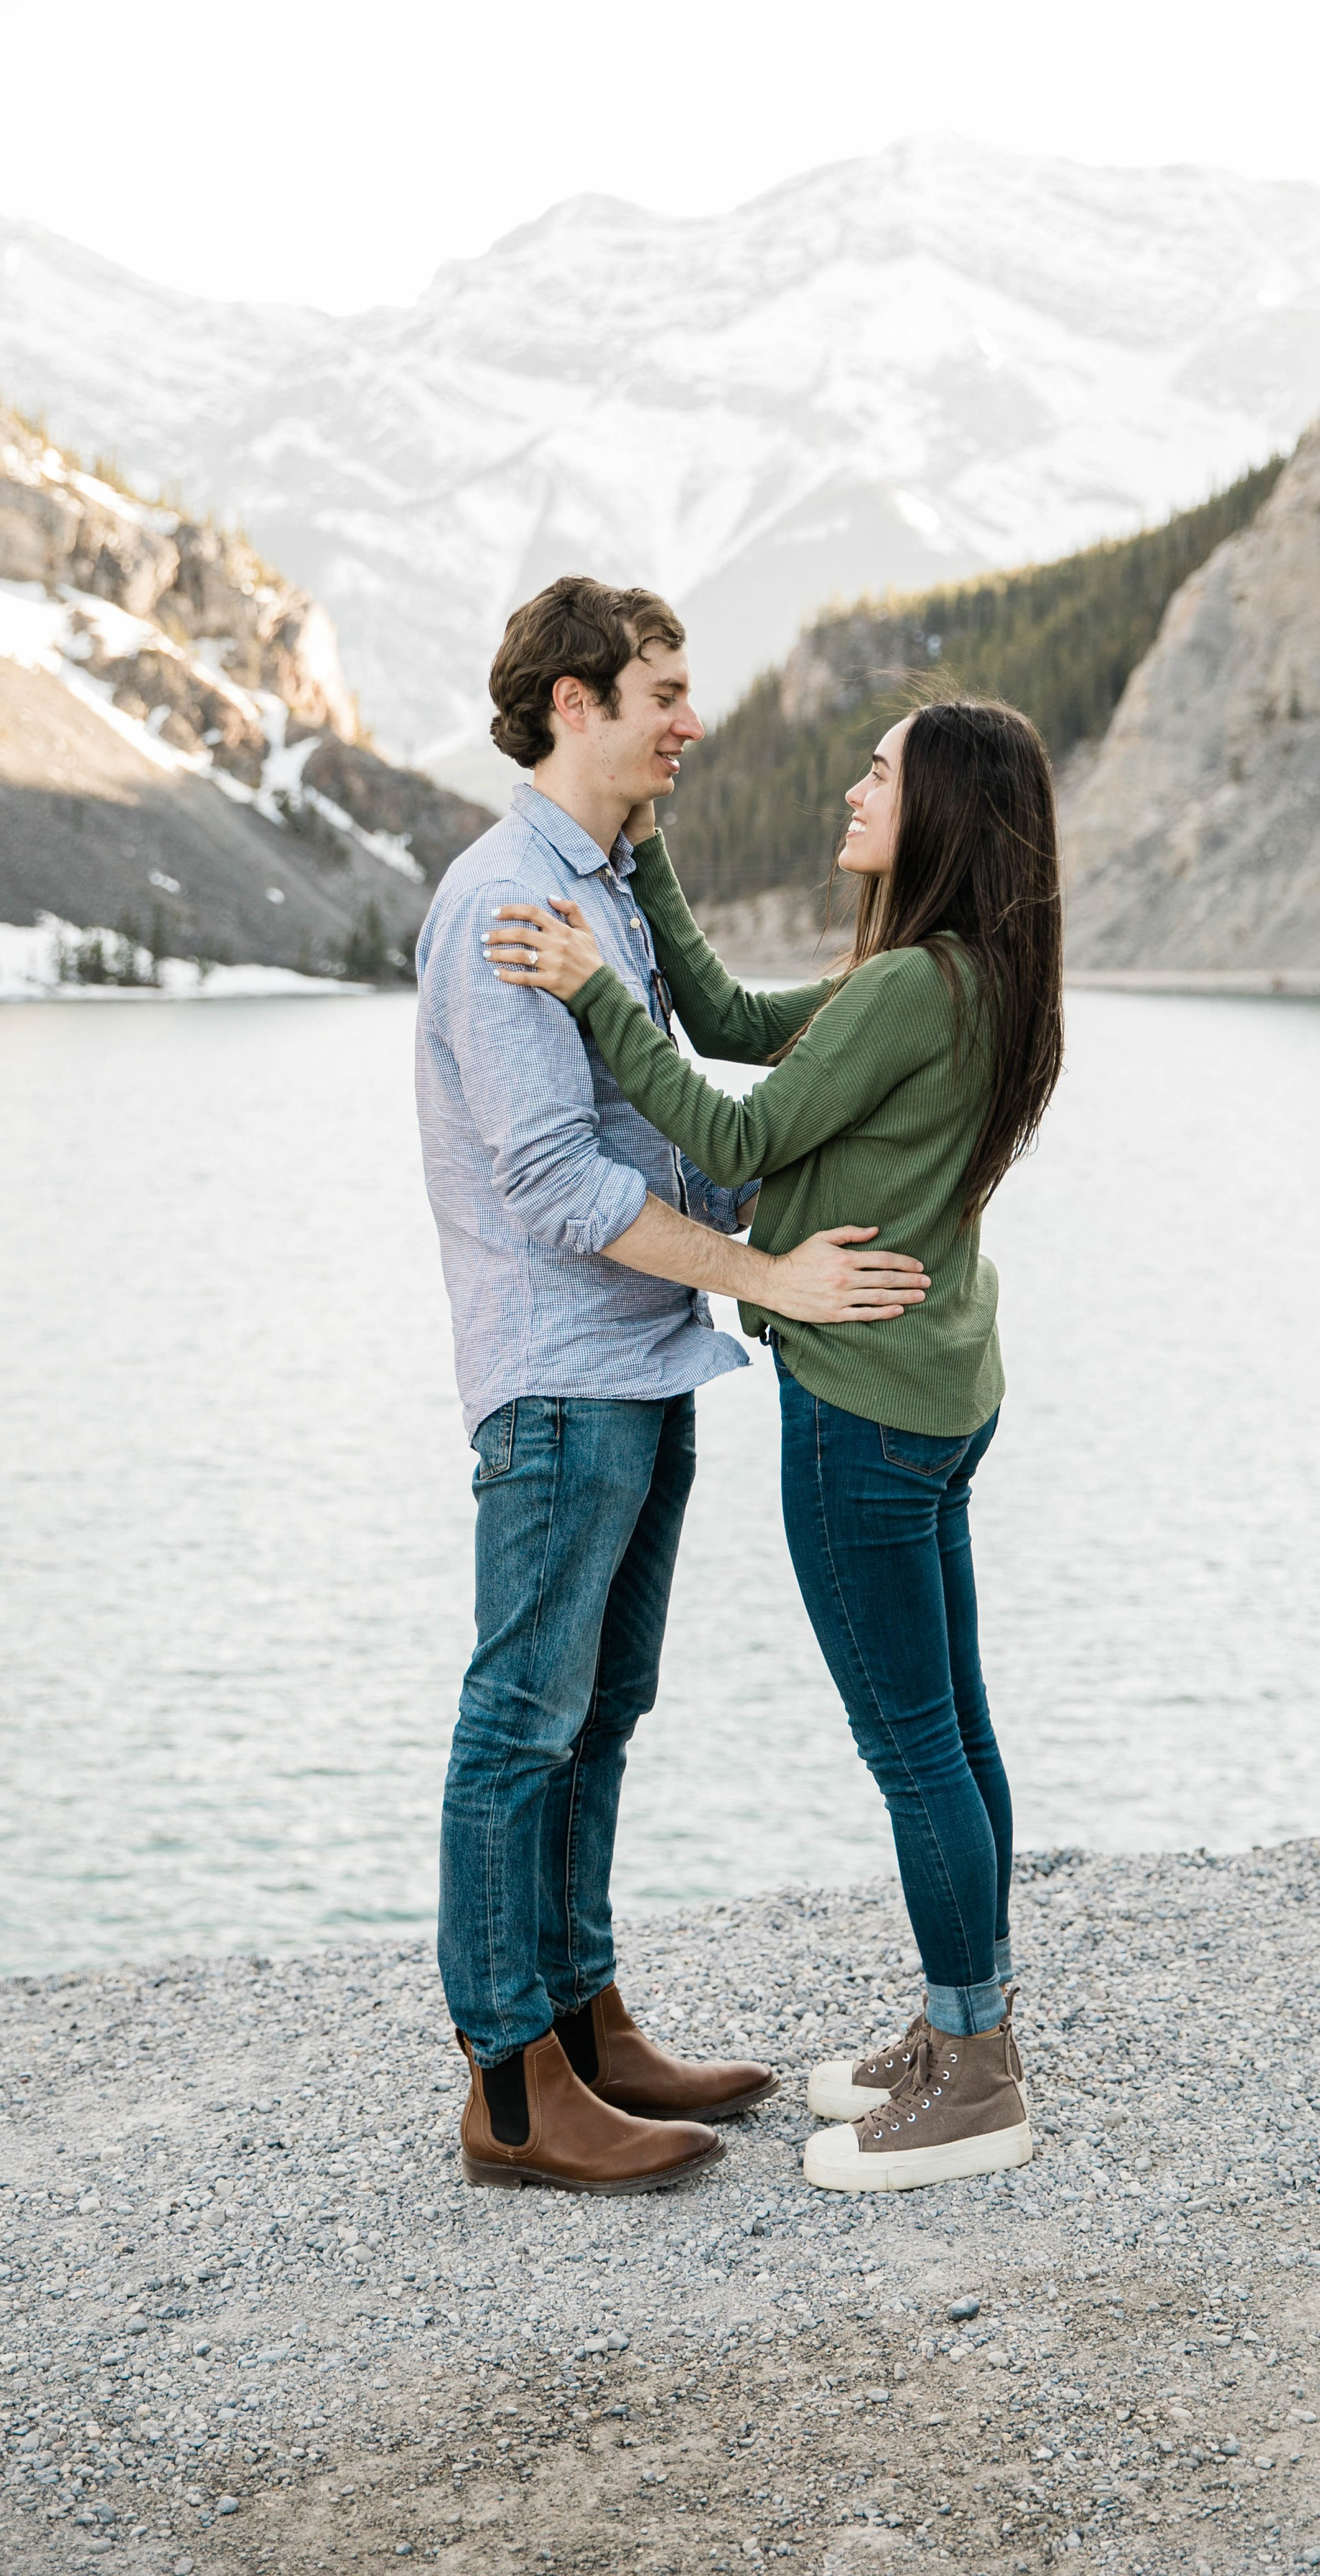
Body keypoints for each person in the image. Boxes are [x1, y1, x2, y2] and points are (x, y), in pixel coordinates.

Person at [484, 696, 1064, 2193]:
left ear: (934, 809)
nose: (853, 788)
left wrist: (589, 987)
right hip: (939, 1388)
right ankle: (965, 2027)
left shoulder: (900, 991)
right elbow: (743, 1027)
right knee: (957, 1722)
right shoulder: (960, 975)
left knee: (911, 1740)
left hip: (863, 1404)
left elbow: (731, 1137)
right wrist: (653, 872)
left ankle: (974, 2073)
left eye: (879, 772)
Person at [415, 573, 933, 2194]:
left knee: (600, 1715)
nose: (692, 722)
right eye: (662, 695)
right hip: (562, 1377)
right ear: (574, 704)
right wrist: (768, 1275)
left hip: (639, 1362)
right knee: (521, 1720)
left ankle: (584, 2022)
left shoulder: (604, 888)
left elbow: (681, 1073)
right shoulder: (509, 902)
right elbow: (556, 1181)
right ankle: (511, 2089)